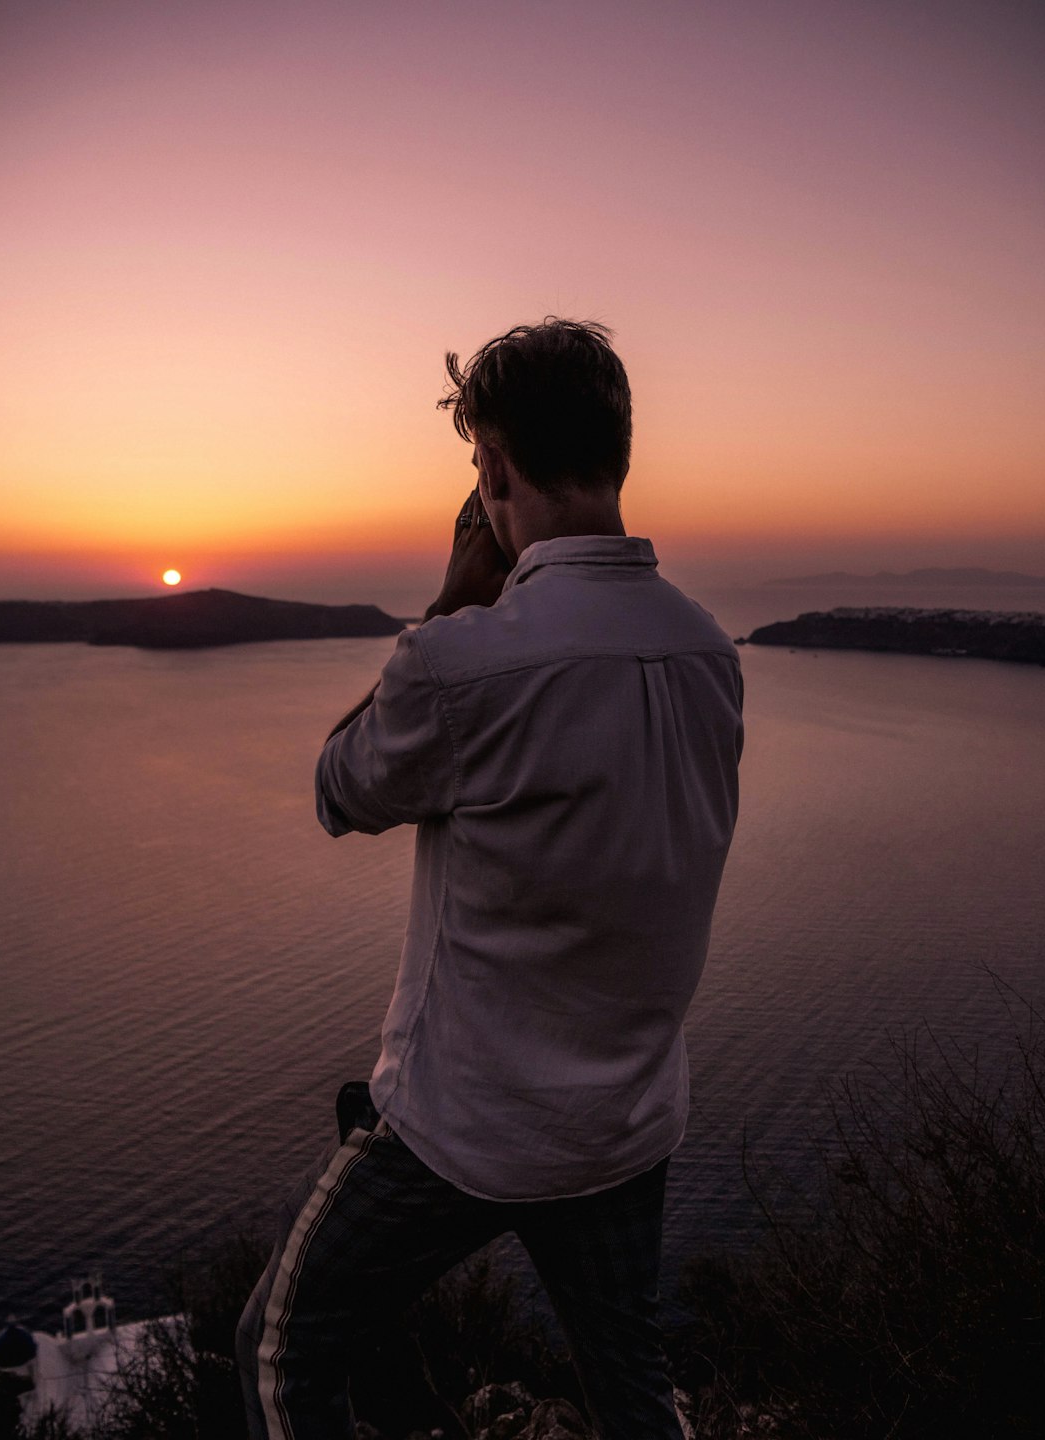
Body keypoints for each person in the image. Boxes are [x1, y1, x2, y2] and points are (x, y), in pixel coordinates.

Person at [237, 318, 744, 1439]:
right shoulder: (712, 652)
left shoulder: (462, 660)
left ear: (496, 472)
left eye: (480, 466)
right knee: (631, 1381)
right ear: (615, 457)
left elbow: (339, 790)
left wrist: (452, 603)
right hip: (624, 1122)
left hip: (461, 1129)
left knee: (279, 1348)